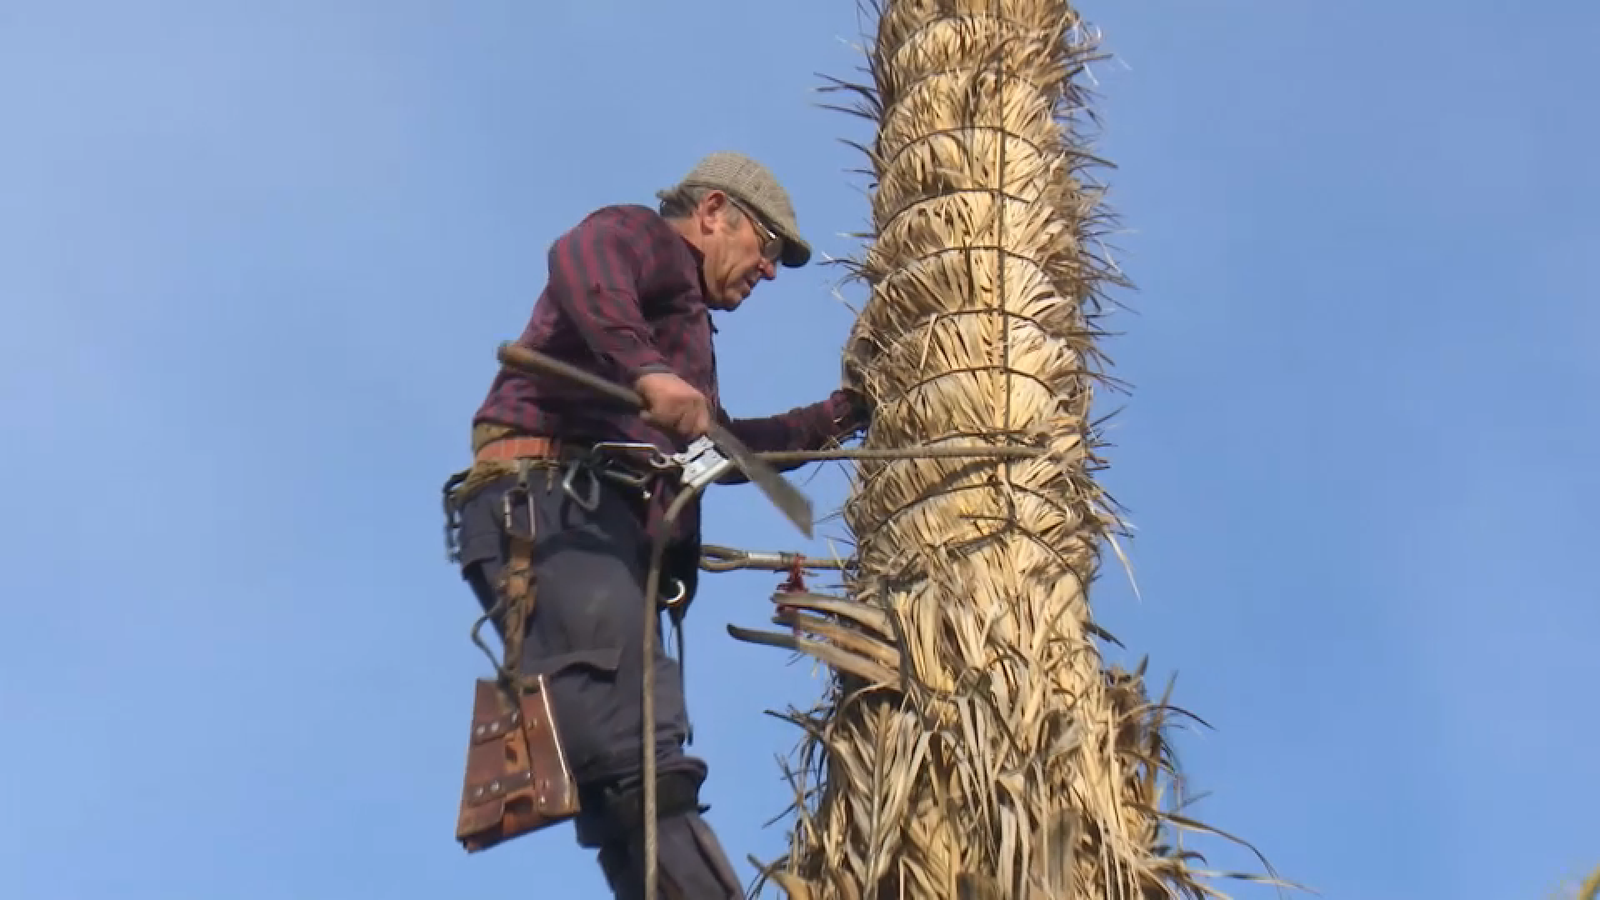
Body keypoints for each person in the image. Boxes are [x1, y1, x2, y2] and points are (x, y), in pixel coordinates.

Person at [442, 152, 870, 899]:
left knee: (621, 777)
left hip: (580, 527)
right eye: (766, 247)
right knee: (633, 750)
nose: (768, 272)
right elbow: (584, 259)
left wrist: (839, 417)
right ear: (713, 213)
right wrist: (647, 371)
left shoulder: (683, 334)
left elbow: (723, 448)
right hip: (552, 509)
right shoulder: (639, 239)